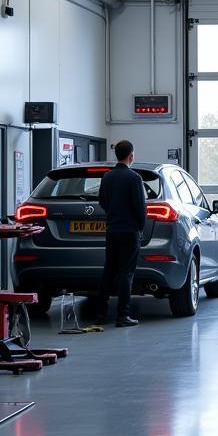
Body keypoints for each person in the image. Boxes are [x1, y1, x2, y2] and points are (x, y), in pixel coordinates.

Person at [97, 139, 147, 327]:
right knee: (126, 273)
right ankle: (122, 315)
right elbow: (140, 208)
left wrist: (113, 213)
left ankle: (100, 314)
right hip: (129, 231)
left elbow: (102, 201)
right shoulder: (134, 178)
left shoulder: (107, 177)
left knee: (108, 271)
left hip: (112, 230)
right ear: (131, 156)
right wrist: (140, 227)